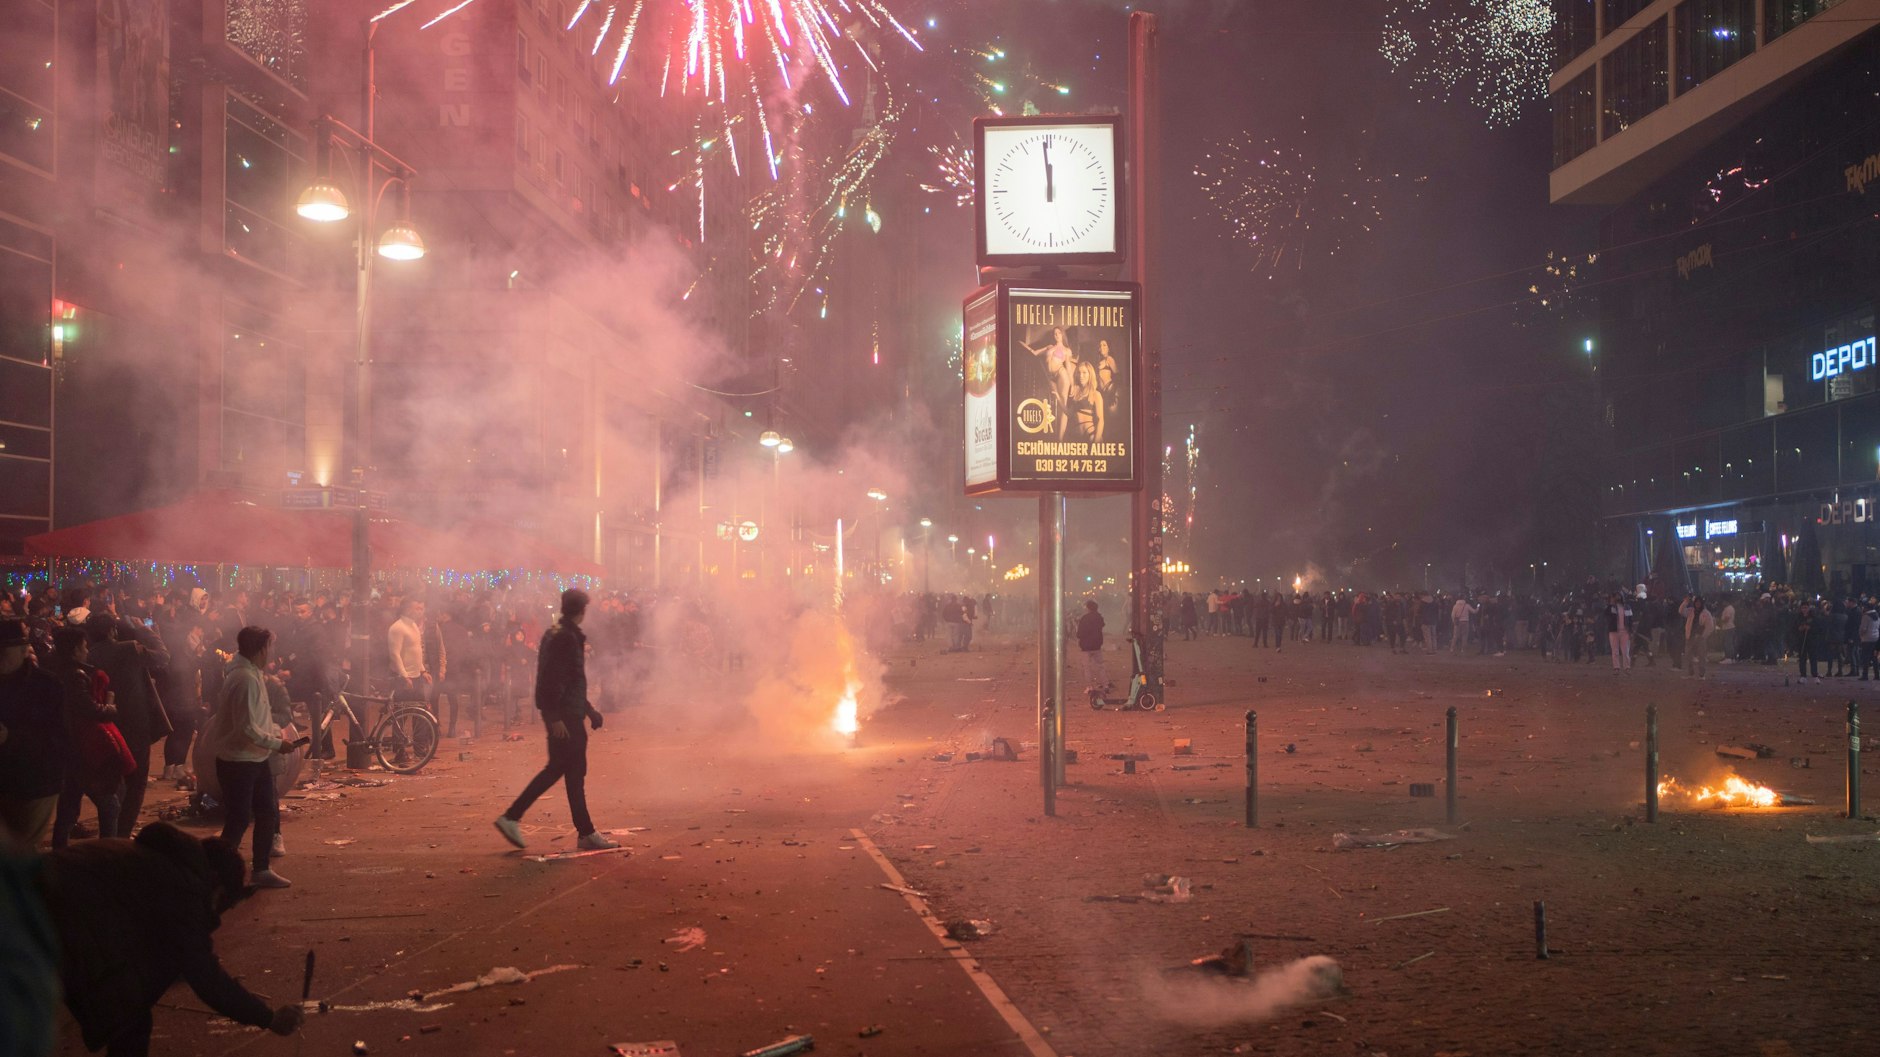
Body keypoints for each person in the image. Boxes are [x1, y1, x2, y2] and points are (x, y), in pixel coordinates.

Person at [39, 821, 304, 1056]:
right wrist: (267, 1017)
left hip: (33, 901)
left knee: (130, 1018)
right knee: (126, 1017)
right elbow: (205, 976)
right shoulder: (183, 888)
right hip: (41, 921)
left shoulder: (156, 862)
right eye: (223, 902)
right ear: (216, 883)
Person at [494, 589, 616, 851]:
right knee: (561, 770)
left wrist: (589, 711)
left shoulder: (560, 634)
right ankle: (512, 816)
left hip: (569, 713)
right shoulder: (565, 638)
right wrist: (554, 716)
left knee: (571, 772)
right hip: (565, 717)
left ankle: (585, 832)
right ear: (582, 610)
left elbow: (570, 681)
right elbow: (554, 679)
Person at [207, 626, 295, 889]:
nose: (272, 652)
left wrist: (272, 736)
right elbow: (246, 727)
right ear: (261, 649)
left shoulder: (250, 672)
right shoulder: (244, 678)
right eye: (270, 647)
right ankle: (218, 873)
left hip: (253, 757)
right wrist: (276, 743)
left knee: (265, 812)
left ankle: (260, 869)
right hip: (239, 759)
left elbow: (257, 719)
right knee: (239, 818)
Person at [84, 615, 170, 838]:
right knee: (136, 782)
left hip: (105, 728)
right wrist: (144, 629)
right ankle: (121, 835)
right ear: (113, 630)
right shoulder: (130, 648)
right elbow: (163, 656)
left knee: (113, 784)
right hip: (135, 726)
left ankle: (112, 834)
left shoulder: (88, 656)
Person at [0, 619, 66, 848]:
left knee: (20, 852)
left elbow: (59, 740)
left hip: (34, 786)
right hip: (5, 783)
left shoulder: (45, 686)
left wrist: (11, 737)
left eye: (2, 652)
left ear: (22, 650)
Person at [1680, 596, 1716, 680]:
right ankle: (1690, 673)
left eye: (1699, 602)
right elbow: (1681, 611)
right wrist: (1685, 602)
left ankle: (1701, 675)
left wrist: (1703, 636)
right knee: (1688, 655)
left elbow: (1710, 626)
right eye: (1696, 602)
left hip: (1700, 638)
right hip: (1690, 636)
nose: (1697, 604)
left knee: (1701, 656)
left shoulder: (1706, 613)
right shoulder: (1690, 611)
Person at [1075, 599, 1107, 691]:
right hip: (1097, 645)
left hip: (1086, 646)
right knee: (1100, 666)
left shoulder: (1085, 618)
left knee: (1086, 667)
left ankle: (1090, 686)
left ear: (1088, 608)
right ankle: (1106, 685)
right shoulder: (1099, 618)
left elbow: (1080, 634)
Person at [1604, 592, 1633, 671]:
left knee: (1626, 651)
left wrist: (1630, 631)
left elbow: (1630, 620)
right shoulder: (1611, 607)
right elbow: (1606, 614)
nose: (1617, 598)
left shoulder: (1627, 607)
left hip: (1625, 632)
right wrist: (1611, 604)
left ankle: (1627, 667)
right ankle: (1616, 667)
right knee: (1615, 650)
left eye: (1618, 596)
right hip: (1614, 631)